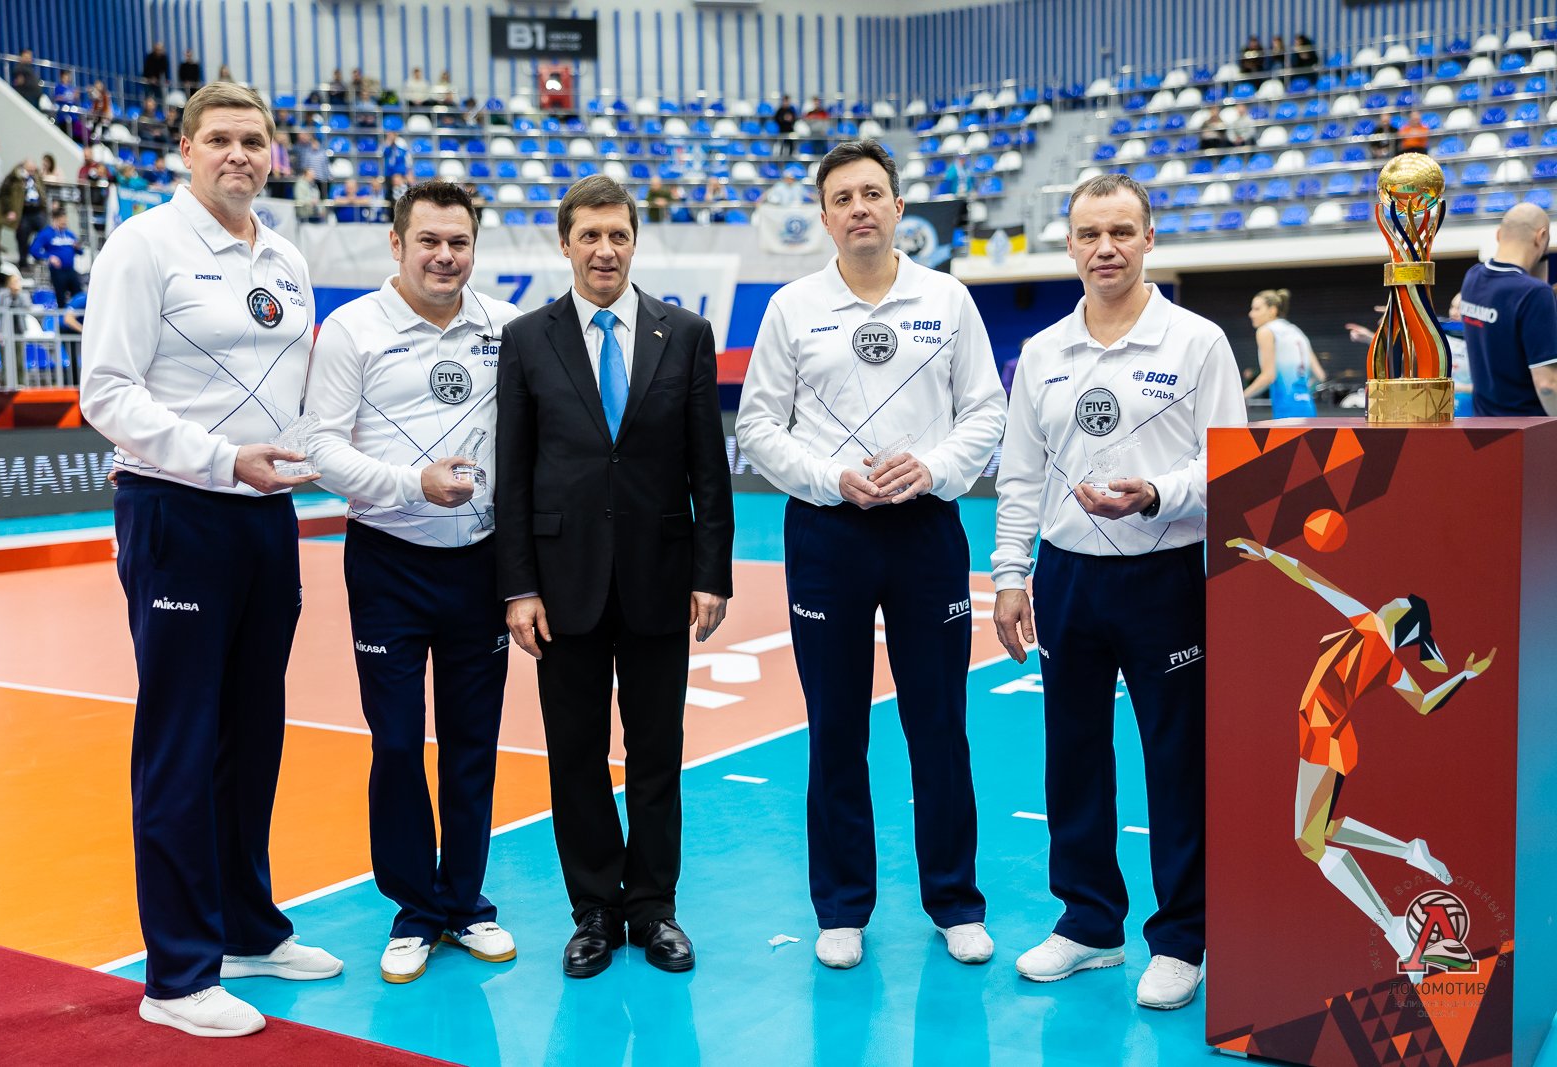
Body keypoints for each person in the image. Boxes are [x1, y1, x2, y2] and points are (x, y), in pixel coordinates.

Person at [78, 81, 344, 1040]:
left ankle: (245, 928)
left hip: (266, 517)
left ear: (274, 154)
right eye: (220, 139)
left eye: (254, 141)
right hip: (178, 509)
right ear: (185, 150)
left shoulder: (285, 254)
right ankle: (178, 973)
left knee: (252, 732)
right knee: (181, 741)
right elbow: (107, 391)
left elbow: (300, 393)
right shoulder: (143, 245)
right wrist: (221, 458)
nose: (239, 155)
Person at [735, 139, 1006, 972]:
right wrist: (830, 479)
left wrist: (936, 468)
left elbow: (986, 411)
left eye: (872, 193)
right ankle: (843, 906)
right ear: (824, 217)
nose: (859, 207)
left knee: (940, 723)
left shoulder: (948, 299)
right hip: (829, 534)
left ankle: (955, 902)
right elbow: (757, 426)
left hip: (927, 531)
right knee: (836, 725)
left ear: (898, 207)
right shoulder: (792, 307)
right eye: (842, 197)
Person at [991, 173, 1245, 1010]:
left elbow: (1229, 460)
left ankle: (1183, 937)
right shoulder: (1043, 353)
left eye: (1122, 232)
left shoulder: (1197, 342)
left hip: (1165, 576)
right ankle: (1091, 922)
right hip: (1067, 576)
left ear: (1149, 239)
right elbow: (1019, 475)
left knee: (1176, 760)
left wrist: (1156, 493)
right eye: (1090, 234)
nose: (1106, 248)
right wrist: (1011, 573)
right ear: (1069, 245)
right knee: (1072, 754)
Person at [495, 174, 734, 979]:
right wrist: (518, 586)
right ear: (564, 243)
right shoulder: (527, 338)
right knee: (575, 754)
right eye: (590, 235)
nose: (605, 250)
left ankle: (654, 907)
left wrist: (712, 573)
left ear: (636, 242)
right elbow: (513, 472)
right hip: (561, 584)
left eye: (618, 235)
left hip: (661, 576)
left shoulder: (685, 333)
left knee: (658, 750)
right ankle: (594, 910)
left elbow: (709, 466)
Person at [304, 180, 521, 986]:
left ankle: (463, 901)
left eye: (459, 242)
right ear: (396, 244)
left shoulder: (505, 327)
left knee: (472, 743)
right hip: (388, 561)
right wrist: (411, 485)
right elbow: (320, 447)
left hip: (481, 564)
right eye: (428, 240)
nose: (444, 256)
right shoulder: (352, 330)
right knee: (396, 743)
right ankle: (413, 909)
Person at [1224, 538, 1493, 981]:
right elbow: (1425, 704)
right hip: (1326, 733)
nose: (1388, 601)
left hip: (1324, 736)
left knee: (1309, 842)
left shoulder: (1369, 624)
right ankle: (1410, 851)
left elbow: (1311, 578)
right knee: (1325, 828)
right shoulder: (1386, 657)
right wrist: (1463, 675)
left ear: (1400, 619)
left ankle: (1394, 928)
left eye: (1396, 604)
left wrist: (1269, 555)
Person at [1461, 203, 1557, 415]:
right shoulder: (1535, 293)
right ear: (1541, 237)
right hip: (1526, 428)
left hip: (1484, 424)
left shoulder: (1472, 277)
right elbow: (1547, 386)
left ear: (1499, 235)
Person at [1242, 288, 1325, 417]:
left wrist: (1242, 397)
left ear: (1272, 310)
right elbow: (1320, 375)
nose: (1251, 314)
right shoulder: (1297, 332)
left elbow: (1268, 376)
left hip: (1286, 412)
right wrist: (1300, 392)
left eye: (1257, 309)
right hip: (1308, 408)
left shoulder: (1266, 331)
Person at [28, 206, 83, 308]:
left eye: (65, 219)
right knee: (61, 297)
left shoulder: (69, 234)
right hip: (57, 272)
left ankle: (78, 315)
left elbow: (80, 251)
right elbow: (34, 250)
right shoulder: (46, 233)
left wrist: (77, 247)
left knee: (79, 295)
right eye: (62, 220)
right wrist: (49, 257)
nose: (64, 222)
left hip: (70, 270)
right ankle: (62, 316)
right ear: (55, 219)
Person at [775, 94, 799, 159]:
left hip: (790, 130)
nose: (786, 103)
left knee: (791, 145)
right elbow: (776, 119)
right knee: (781, 146)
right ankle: (780, 158)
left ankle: (790, 157)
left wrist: (791, 119)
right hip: (782, 131)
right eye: (785, 101)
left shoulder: (791, 110)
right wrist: (784, 118)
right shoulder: (780, 110)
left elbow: (795, 119)